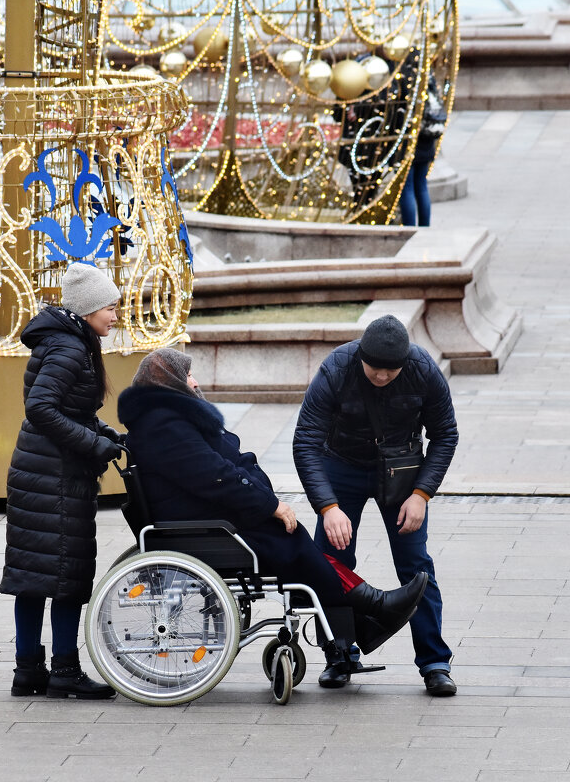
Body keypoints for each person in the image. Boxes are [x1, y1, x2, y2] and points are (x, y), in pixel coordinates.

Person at [117, 348, 430, 686]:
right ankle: (372, 608)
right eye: (188, 375)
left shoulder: (163, 419)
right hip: (200, 525)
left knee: (296, 545)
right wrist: (269, 505)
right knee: (292, 545)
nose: (194, 382)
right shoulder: (164, 424)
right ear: (169, 381)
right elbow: (215, 476)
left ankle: (367, 614)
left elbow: (215, 469)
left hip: (202, 514)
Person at [292, 315, 460, 696]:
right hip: (342, 467)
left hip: (401, 472)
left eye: (391, 371)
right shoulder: (336, 368)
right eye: (374, 370)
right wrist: (328, 506)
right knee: (331, 564)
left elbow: (445, 434)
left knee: (416, 566)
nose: (382, 377)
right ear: (361, 357)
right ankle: (339, 655)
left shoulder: (422, 370)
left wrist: (421, 494)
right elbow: (305, 441)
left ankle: (435, 662)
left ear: (405, 362)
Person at [0, 262, 123, 700]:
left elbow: (70, 410)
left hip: (42, 472)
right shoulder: (70, 348)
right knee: (67, 575)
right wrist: (94, 446)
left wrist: (106, 434)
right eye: (109, 308)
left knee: (35, 576)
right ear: (87, 309)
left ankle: (29, 671)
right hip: (55, 477)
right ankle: (64, 671)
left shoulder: (68, 342)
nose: (115, 316)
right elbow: (41, 408)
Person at [400, 74, 445, 228]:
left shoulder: (404, 73)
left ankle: (409, 229)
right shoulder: (427, 74)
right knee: (421, 185)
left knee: (407, 187)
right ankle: (425, 228)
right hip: (427, 137)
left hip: (409, 139)